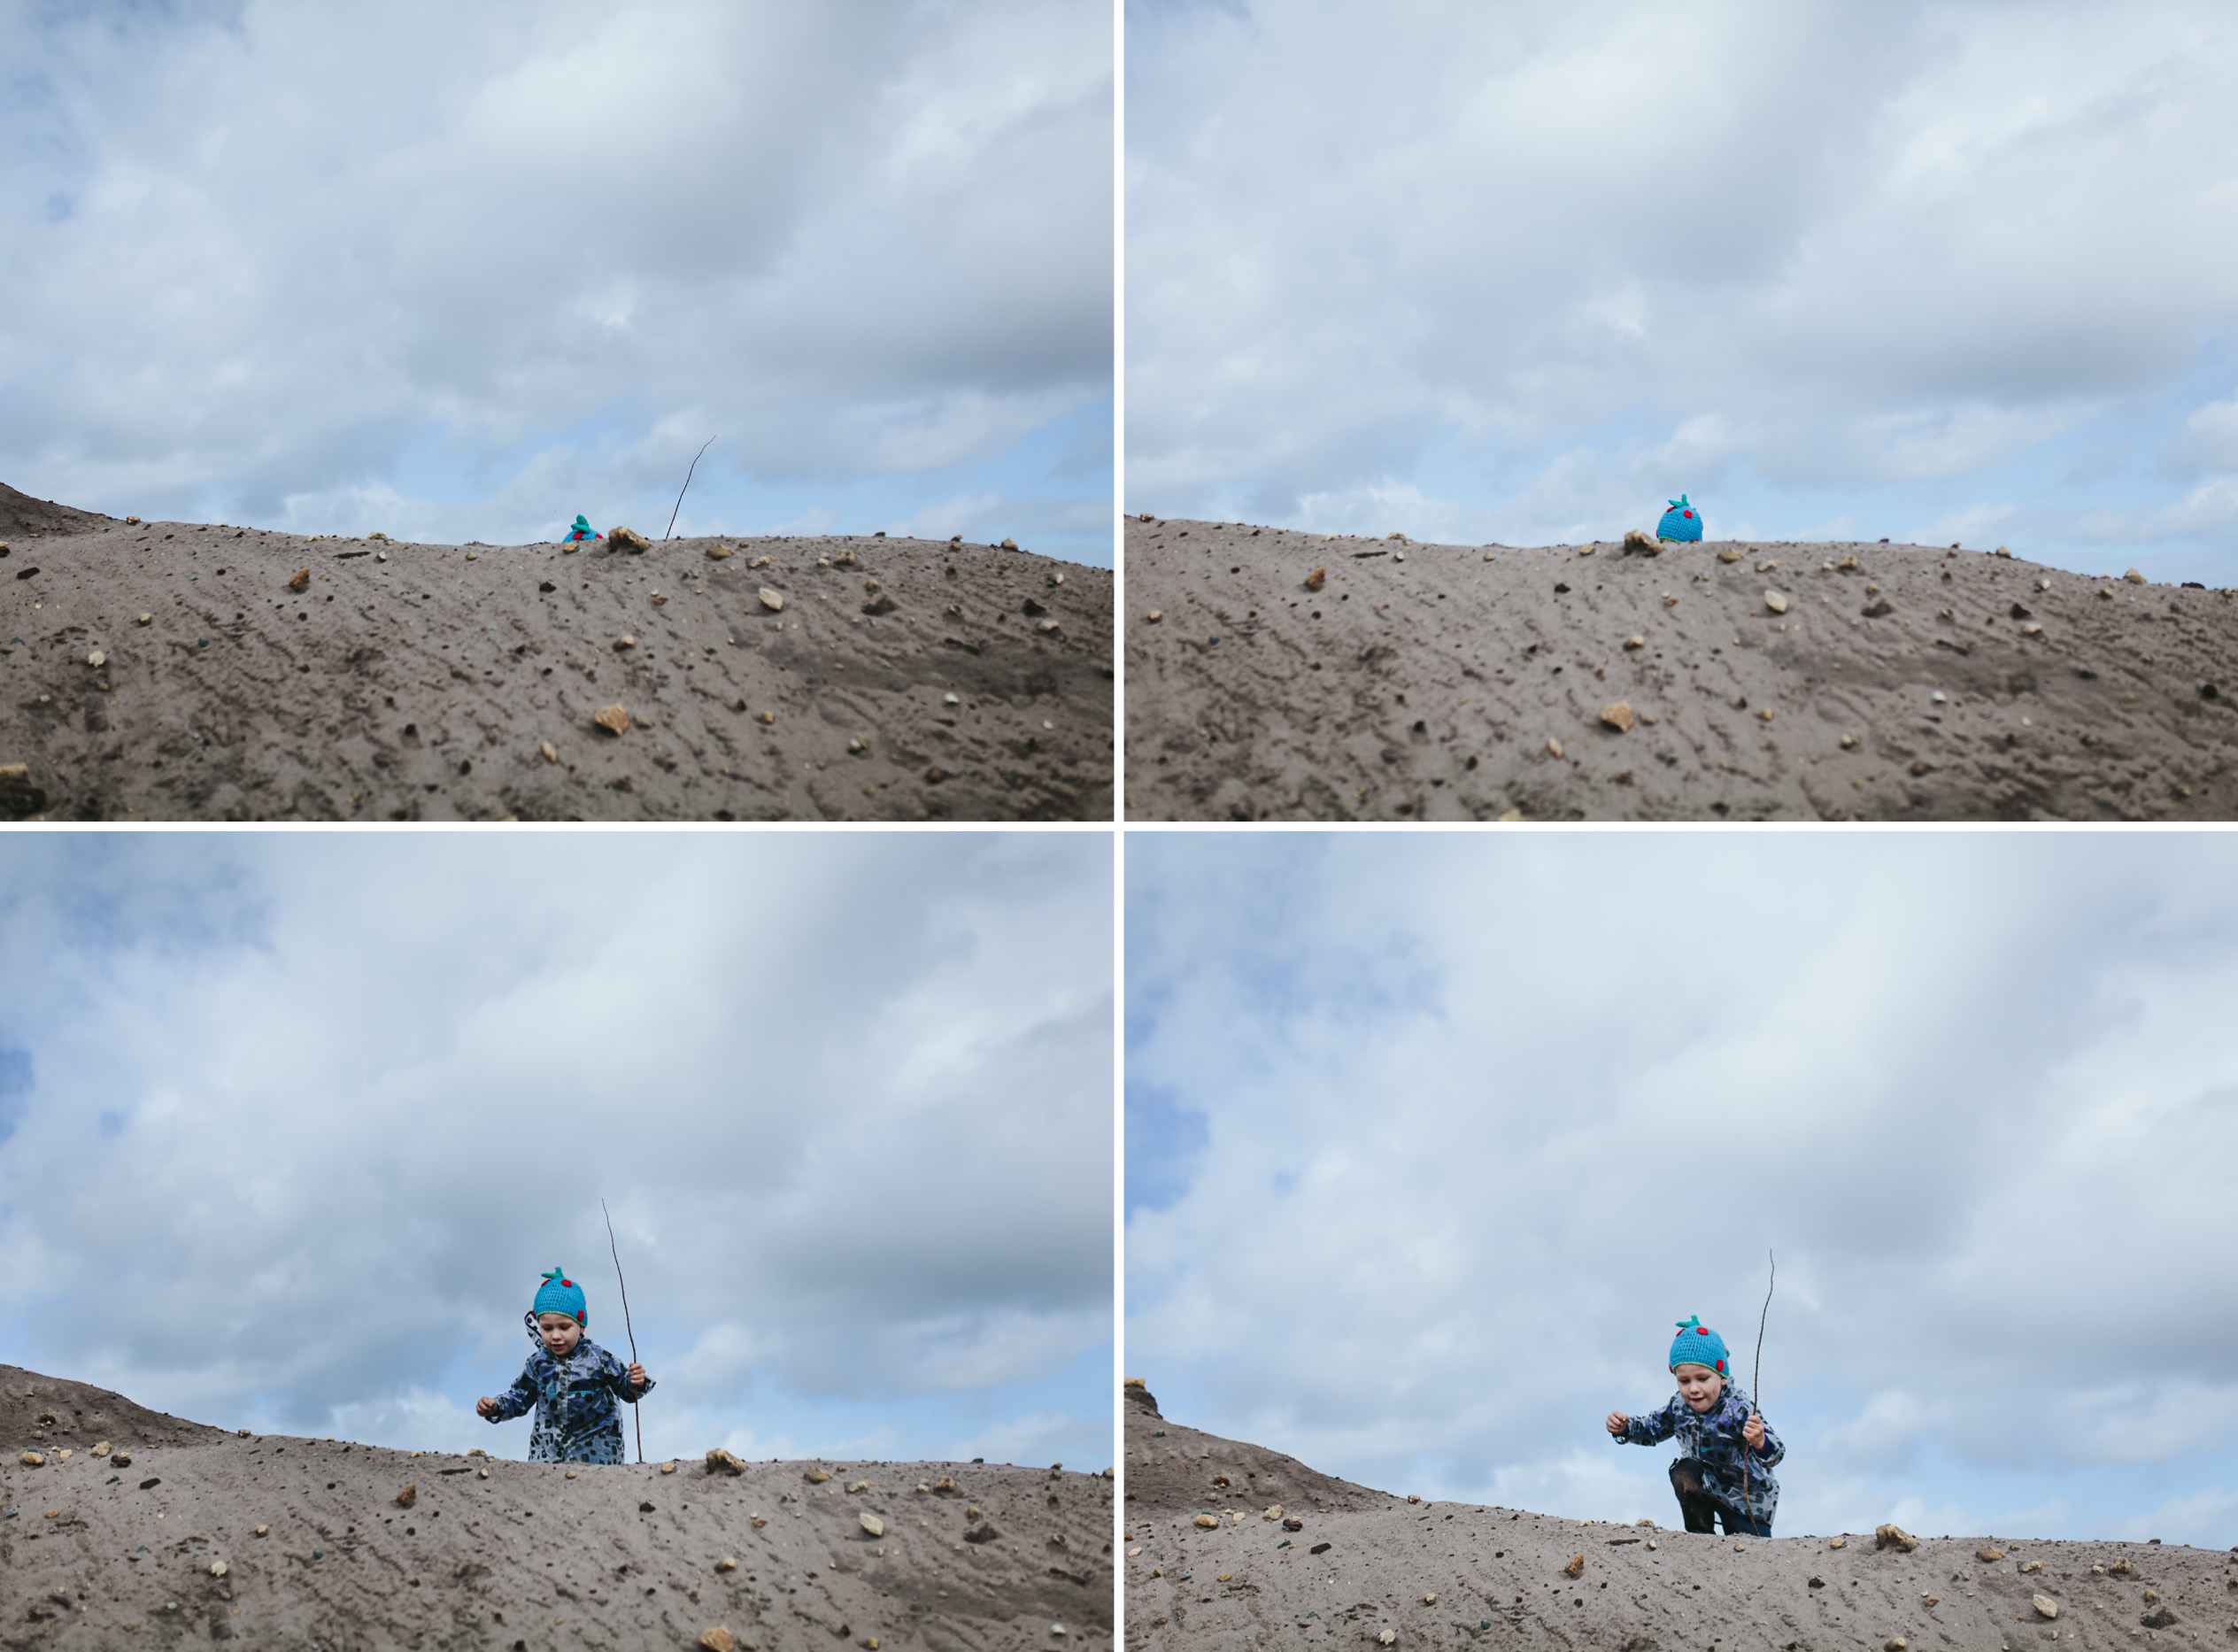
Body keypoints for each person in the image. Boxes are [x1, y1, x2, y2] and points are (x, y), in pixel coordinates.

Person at [1605, 1315, 1779, 1535]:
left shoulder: (1738, 1408)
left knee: (1749, 1550)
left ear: (1722, 1376)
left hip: (1746, 1498)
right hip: (1706, 1485)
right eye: (1685, 1381)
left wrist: (1760, 1441)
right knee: (1684, 1470)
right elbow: (1653, 1428)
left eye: (1703, 1379)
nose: (1693, 1389)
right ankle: (1700, 1536)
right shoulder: (1679, 1406)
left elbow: (1777, 1453)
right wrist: (1626, 1427)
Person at [476, 1267, 652, 1463]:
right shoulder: (538, 1364)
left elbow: (626, 1390)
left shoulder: (599, 1359)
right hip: (548, 1451)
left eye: (564, 1327)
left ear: (581, 1326)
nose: (556, 1335)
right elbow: (520, 1397)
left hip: (597, 1447)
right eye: (547, 1328)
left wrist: (636, 1381)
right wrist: (497, 1407)